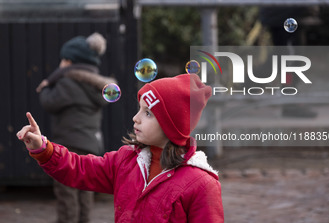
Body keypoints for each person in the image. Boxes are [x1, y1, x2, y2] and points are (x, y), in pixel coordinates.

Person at [17, 74, 224, 222]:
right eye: (139, 110)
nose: (136, 118)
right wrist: (43, 149)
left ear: (172, 125)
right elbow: (80, 169)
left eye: (148, 113)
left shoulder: (202, 184)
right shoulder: (125, 161)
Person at [36, 32, 117, 223]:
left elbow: (49, 102)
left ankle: (68, 220)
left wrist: (46, 88)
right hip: (91, 144)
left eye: (64, 60)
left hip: (68, 143)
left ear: (71, 62)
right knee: (85, 187)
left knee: (66, 188)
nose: (61, 64)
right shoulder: (97, 87)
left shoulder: (67, 82)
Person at [259, 0, 319, 117]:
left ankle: (249, 85)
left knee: (284, 58)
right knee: (291, 59)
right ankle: (290, 103)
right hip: (285, 12)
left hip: (290, 11)